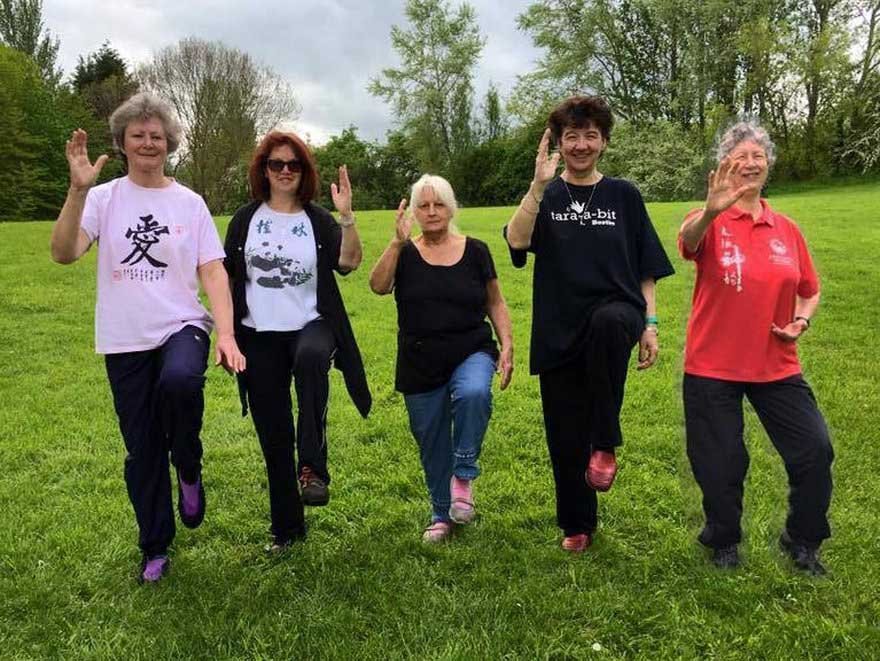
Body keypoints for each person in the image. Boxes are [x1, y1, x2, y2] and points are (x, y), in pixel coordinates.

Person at [50, 92, 245, 583]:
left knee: (181, 382)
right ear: (121, 143)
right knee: (141, 448)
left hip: (181, 325)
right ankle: (155, 545)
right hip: (123, 338)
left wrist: (226, 332)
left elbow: (214, 272)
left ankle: (190, 462)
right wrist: (76, 192)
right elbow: (64, 252)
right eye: (138, 135)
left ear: (170, 143)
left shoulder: (189, 202)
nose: (148, 143)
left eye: (157, 135)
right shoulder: (103, 198)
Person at [504, 96, 674, 553]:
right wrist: (538, 188)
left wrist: (650, 323)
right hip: (559, 325)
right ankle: (577, 524)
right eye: (572, 136)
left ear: (603, 141)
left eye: (591, 135)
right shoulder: (548, 195)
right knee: (563, 433)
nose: (581, 145)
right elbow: (517, 241)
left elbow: (646, 265)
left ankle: (605, 442)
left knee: (607, 322)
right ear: (559, 143)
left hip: (616, 314)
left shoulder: (624, 195)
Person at [679, 121, 833, 575]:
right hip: (713, 365)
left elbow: (810, 288)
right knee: (721, 461)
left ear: (767, 165)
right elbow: (688, 243)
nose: (749, 163)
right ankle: (723, 540)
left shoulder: (786, 228)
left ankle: (802, 540)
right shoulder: (707, 218)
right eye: (739, 156)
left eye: (757, 156)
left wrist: (801, 319)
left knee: (815, 449)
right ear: (724, 164)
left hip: (776, 364)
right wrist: (710, 211)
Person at [224, 131, 371, 551]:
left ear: (304, 171)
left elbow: (349, 263)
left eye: (294, 165)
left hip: (312, 323)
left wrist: (346, 216)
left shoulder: (317, 219)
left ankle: (313, 468)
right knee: (273, 433)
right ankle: (287, 529)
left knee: (311, 358)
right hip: (258, 334)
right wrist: (228, 334)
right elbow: (229, 278)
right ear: (263, 170)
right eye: (277, 164)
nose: (286, 171)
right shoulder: (245, 219)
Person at [370, 174, 513, 542]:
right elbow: (378, 286)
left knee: (474, 393)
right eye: (424, 205)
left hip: (472, 348)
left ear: (452, 208)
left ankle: (463, 473)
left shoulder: (477, 250)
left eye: (439, 204)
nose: (432, 212)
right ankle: (441, 513)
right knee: (431, 438)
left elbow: (495, 301)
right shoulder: (405, 253)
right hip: (419, 359)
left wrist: (507, 344)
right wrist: (395, 243)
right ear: (414, 212)